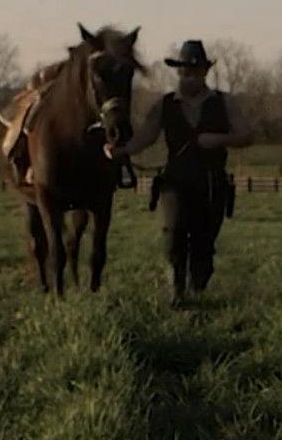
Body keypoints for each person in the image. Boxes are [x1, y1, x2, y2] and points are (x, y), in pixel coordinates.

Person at [106, 40, 253, 305]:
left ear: (204, 72)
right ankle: (176, 290)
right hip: (176, 179)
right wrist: (123, 150)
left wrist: (218, 140)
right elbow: (147, 136)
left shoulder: (224, 102)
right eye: (183, 72)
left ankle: (198, 281)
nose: (187, 77)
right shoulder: (165, 104)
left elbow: (245, 135)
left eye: (193, 72)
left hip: (211, 182)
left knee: (203, 242)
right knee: (172, 232)